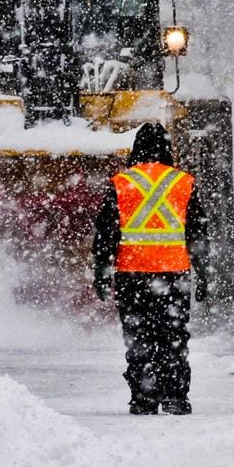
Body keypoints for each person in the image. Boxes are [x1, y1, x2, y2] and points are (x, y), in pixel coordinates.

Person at [93, 123, 197, 415]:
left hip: (131, 275)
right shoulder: (184, 183)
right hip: (174, 274)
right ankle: (175, 396)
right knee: (172, 337)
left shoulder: (121, 183)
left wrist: (101, 273)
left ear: (136, 148)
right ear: (167, 147)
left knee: (139, 337)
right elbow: (198, 233)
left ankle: (144, 397)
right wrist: (204, 272)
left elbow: (105, 234)